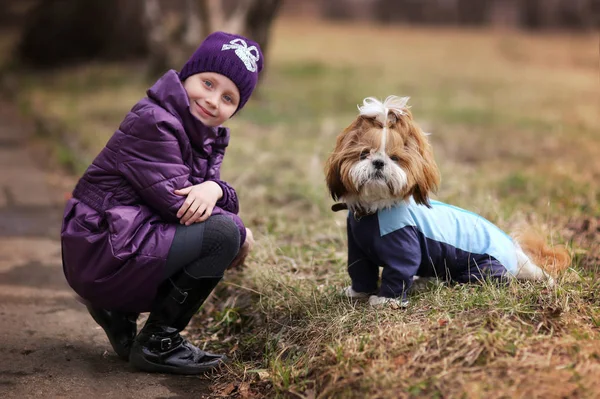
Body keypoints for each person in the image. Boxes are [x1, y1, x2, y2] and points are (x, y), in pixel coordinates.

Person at [60, 31, 262, 375]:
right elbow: (181, 205)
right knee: (224, 235)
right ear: (185, 76)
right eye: (208, 84)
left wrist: (215, 190)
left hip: (112, 241)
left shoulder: (202, 134)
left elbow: (201, 199)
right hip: (100, 246)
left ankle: (117, 311)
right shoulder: (155, 122)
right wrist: (232, 219)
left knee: (220, 230)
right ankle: (159, 342)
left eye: (229, 98)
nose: (214, 101)